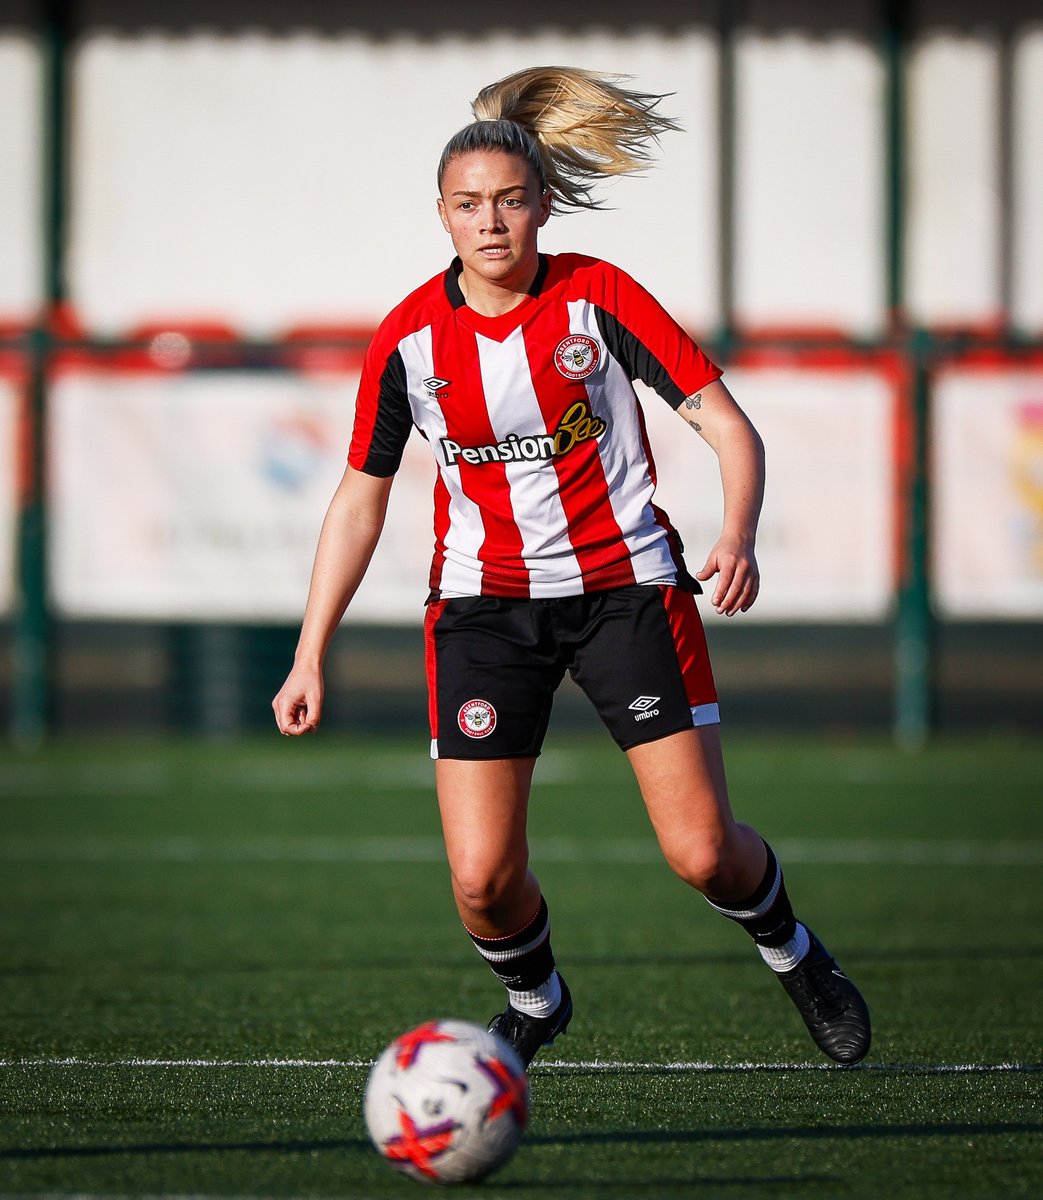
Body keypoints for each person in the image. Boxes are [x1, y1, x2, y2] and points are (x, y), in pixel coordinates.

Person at [273, 66, 871, 1069]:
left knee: (700, 854)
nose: (490, 223)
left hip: (625, 596)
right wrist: (307, 654)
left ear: (541, 204)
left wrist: (736, 534)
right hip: (480, 610)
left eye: (509, 201)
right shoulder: (409, 339)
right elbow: (360, 495)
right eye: (468, 206)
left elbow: (727, 426)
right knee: (479, 880)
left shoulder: (597, 299)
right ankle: (535, 998)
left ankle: (790, 949)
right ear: (442, 216)